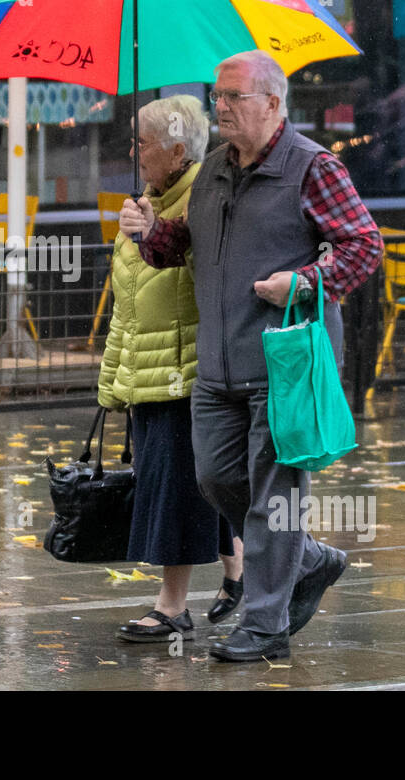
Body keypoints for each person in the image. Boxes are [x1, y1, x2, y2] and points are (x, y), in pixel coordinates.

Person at [119, 50, 383, 662]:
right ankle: (308, 559)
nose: (223, 106)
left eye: (235, 96)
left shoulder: (313, 167)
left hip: (284, 361)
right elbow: (178, 246)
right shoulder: (213, 169)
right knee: (215, 480)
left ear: (272, 102)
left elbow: (362, 246)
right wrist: (148, 229)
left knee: (273, 495)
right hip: (218, 364)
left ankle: (265, 627)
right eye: (218, 96)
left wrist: (304, 283)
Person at [99, 95, 244, 644]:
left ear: (178, 150)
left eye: (144, 143)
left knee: (175, 488)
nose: (134, 153)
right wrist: (114, 377)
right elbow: (129, 301)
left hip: (183, 371)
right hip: (148, 368)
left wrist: (151, 230)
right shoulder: (144, 200)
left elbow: (194, 273)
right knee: (197, 484)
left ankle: (172, 605)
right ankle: (239, 570)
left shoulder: (201, 200)